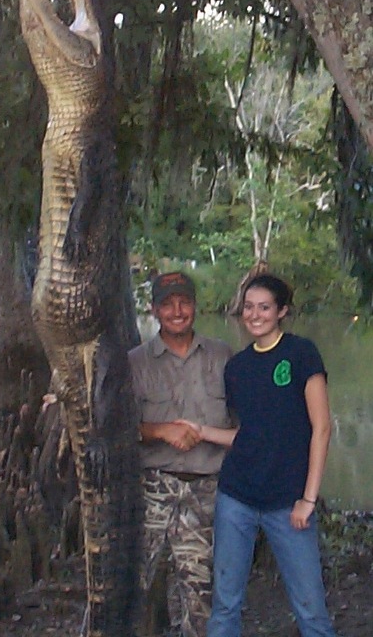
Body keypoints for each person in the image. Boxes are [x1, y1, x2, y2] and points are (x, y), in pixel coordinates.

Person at [185, 273, 336, 637]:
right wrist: (202, 432)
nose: (254, 315)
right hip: (237, 497)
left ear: (281, 311)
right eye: (249, 307)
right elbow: (250, 435)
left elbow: (322, 429)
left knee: (310, 609)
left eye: (264, 307)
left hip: (288, 502)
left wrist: (307, 499)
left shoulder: (301, 354)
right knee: (225, 605)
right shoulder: (237, 367)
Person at [128, 271, 234, 637]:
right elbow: (114, 430)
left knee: (201, 596)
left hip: (206, 492)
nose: (177, 310)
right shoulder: (135, 363)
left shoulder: (222, 356)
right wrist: (161, 431)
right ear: (154, 310)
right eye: (168, 303)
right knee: (132, 588)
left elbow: (245, 427)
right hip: (151, 490)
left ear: (195, 307)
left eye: (184, 302)